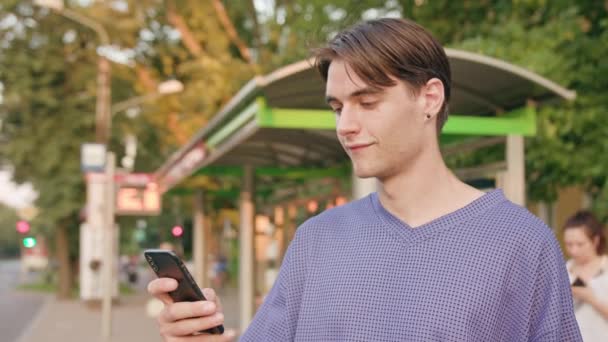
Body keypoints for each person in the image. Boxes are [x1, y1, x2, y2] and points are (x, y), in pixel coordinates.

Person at [147, 18, 582, 341]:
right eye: (338, 108)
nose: (345, 125)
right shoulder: (316, 239)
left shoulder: (522, 243)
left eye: (367, 102)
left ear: (429, 98)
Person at [563, 211, 608, 342]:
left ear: (595, 240)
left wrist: (590, 298)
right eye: (569, 244)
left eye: (580, 244)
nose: (573, 250)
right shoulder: (562, 270)